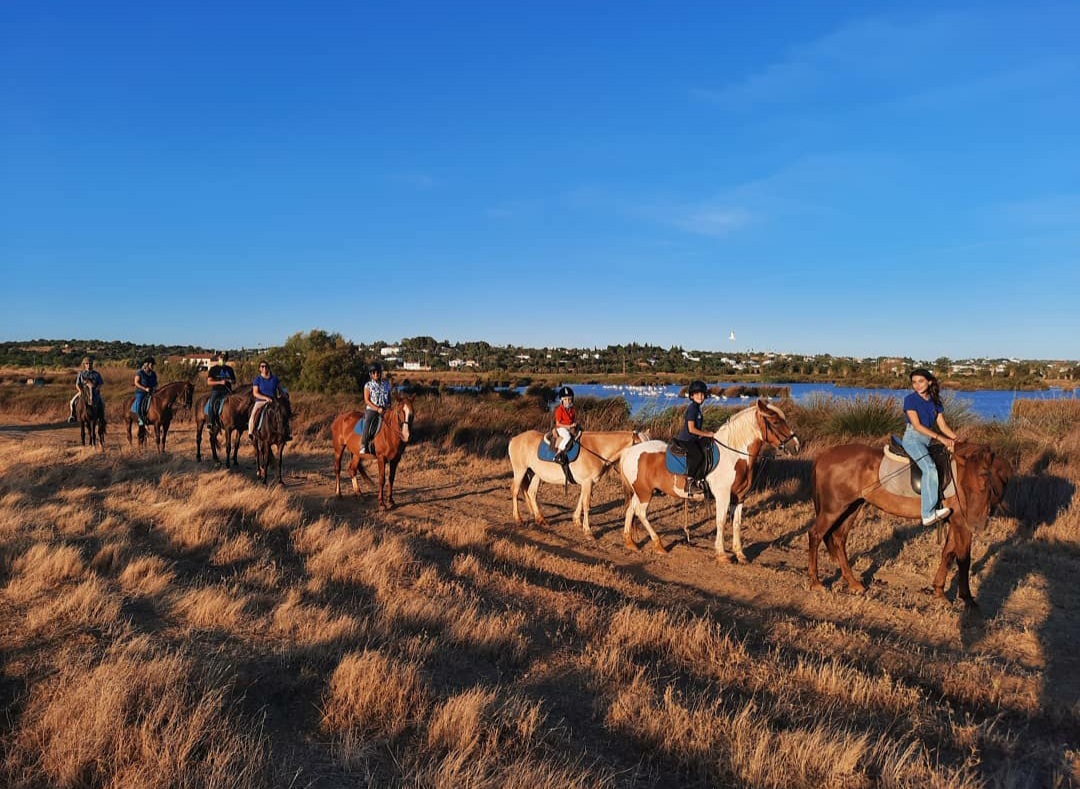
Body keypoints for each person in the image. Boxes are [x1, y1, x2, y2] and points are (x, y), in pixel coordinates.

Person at [901, 368, 959, 526]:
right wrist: (941, 439)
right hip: (913, 439)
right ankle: (927, 513)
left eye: (920, 381)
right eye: (914, 382)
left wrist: (956, 440)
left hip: (927, 440)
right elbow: (918, 426)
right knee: (930, 468)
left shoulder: (935, 402)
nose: (917, 385)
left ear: (929, 381)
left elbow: (943, 426)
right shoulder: (910, 400)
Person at [674, 380, 713, 495]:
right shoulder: (692, 409)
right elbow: (691, 429)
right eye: (697, 394)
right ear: (692, 396)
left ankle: (701, 479)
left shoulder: (697, 409)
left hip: (694, 439)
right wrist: (707, 434)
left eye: (702, 394)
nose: (700, 396)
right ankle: (690, 483)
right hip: (687, 440)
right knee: (697, 455)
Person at [249, 361, 289, 439]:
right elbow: (255, 393)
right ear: (259, 369)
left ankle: (287, 432)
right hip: (260, 401)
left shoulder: (274, 378)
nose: (264, 368)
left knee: (284, 413)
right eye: (262, 366)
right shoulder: (257, 379)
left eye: (265, 366)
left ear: (268, 367)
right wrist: (265, 398)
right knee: (253, 415)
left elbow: (280, 388)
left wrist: (284, 393)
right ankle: (251, 432)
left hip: (274, 400)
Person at [361, 362, 391, 454]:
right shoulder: (368, 385)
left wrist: (388, 406)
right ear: (371, 374)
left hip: (385, 409)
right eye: (373, 372)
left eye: (377, 372)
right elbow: (367, 400)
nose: (376, 374)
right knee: (367, 422)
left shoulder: (386, 385)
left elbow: (389, 398)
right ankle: (363, 444)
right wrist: (377, 409)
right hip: (372, 409)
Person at [553, 386, 578, 484]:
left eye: (569, 399)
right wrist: (569, 426)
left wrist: (575, 426)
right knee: (567, 437)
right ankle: (558, 454)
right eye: (565, 399)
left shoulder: (572, 410)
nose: (567, 401)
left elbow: (573, 420)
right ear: (561, 401)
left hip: (569, 427)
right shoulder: (559, 410)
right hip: (561, 428)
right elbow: (558, 423)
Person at [205, 350, 236, 430]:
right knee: (212, 403)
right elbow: (209, 382)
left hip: (228, 391)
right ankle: (211, 422)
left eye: (225, 358)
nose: (223, 359)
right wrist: (220, 382)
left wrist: (229, 381)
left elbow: (234, 381)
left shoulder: (230, 369)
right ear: (218, 358)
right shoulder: (213, 369)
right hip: (217, 391)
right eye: (221, 357)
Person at [68, 356, 104, 422]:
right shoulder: (81, 374)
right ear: (84, 364)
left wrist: (96, 390)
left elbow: (100, 383)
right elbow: (77, 384)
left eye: (90, 363)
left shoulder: (96, 374)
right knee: (72, 401)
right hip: (83, 391)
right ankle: (73, 415)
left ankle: (101, 417)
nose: (88, 365)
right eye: (87, 363)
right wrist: (80, 391)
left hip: (94, 392)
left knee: (102, 402)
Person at [132, 357, 157, 426]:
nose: (153, 366)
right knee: (139, 402)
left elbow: (155, 383)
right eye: (152, 364)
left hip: (152, 392)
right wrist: (145, 388)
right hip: (141, 392)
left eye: (153, 365)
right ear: (147, 364)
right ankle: (140, 419)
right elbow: (136, 382)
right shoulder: (140, 373)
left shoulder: (153, 374)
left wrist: (154, 388)